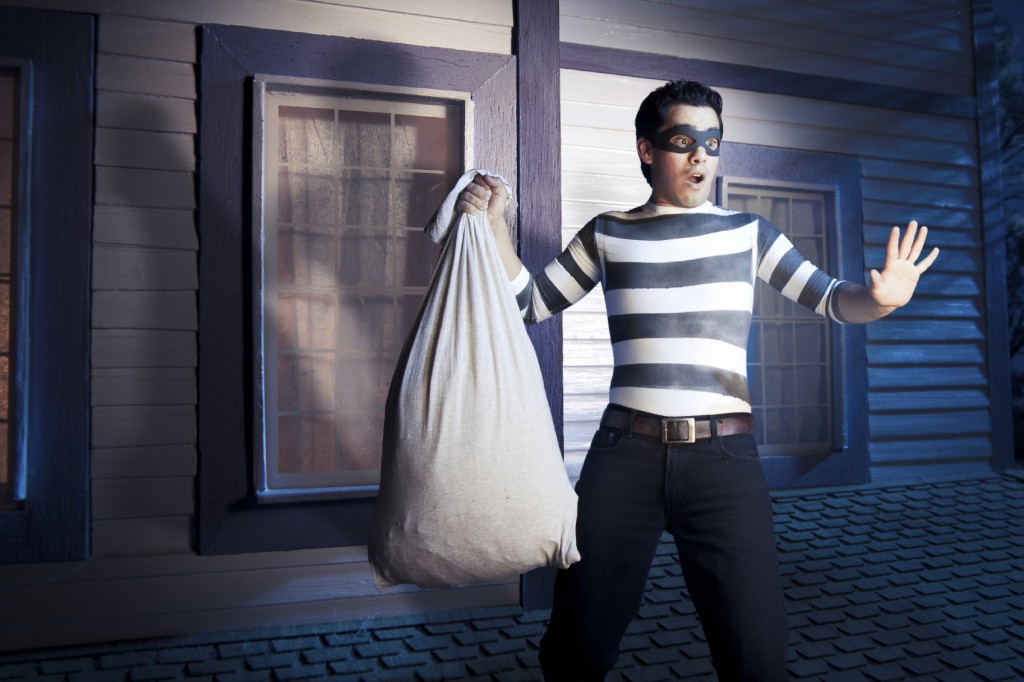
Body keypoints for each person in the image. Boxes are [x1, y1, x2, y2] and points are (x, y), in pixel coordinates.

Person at [457, 79, 938, 681]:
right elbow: (527, 303)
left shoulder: (749, 233)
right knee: (576, 650)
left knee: (757, 659)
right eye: (683, 141)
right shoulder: (609, 232)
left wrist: (880, 299)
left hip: (724, 464)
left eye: (711, 143)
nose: (700, 157)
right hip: (622, 460)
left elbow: (835, 301)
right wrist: (497, 224)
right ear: (646, 149)